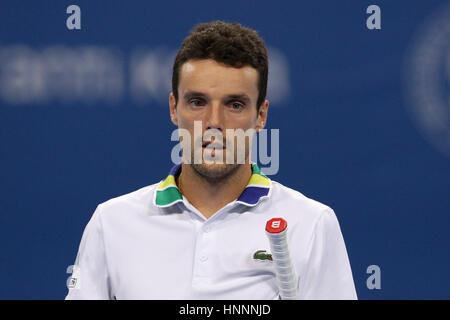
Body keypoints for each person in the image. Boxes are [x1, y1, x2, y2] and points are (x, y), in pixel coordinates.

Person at [65, 20, 357, 300]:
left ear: (261, 116)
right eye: (197, 102)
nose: (214, 121)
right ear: (173, 108)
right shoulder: (111, 223)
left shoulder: (311, 225)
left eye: (235, 104)